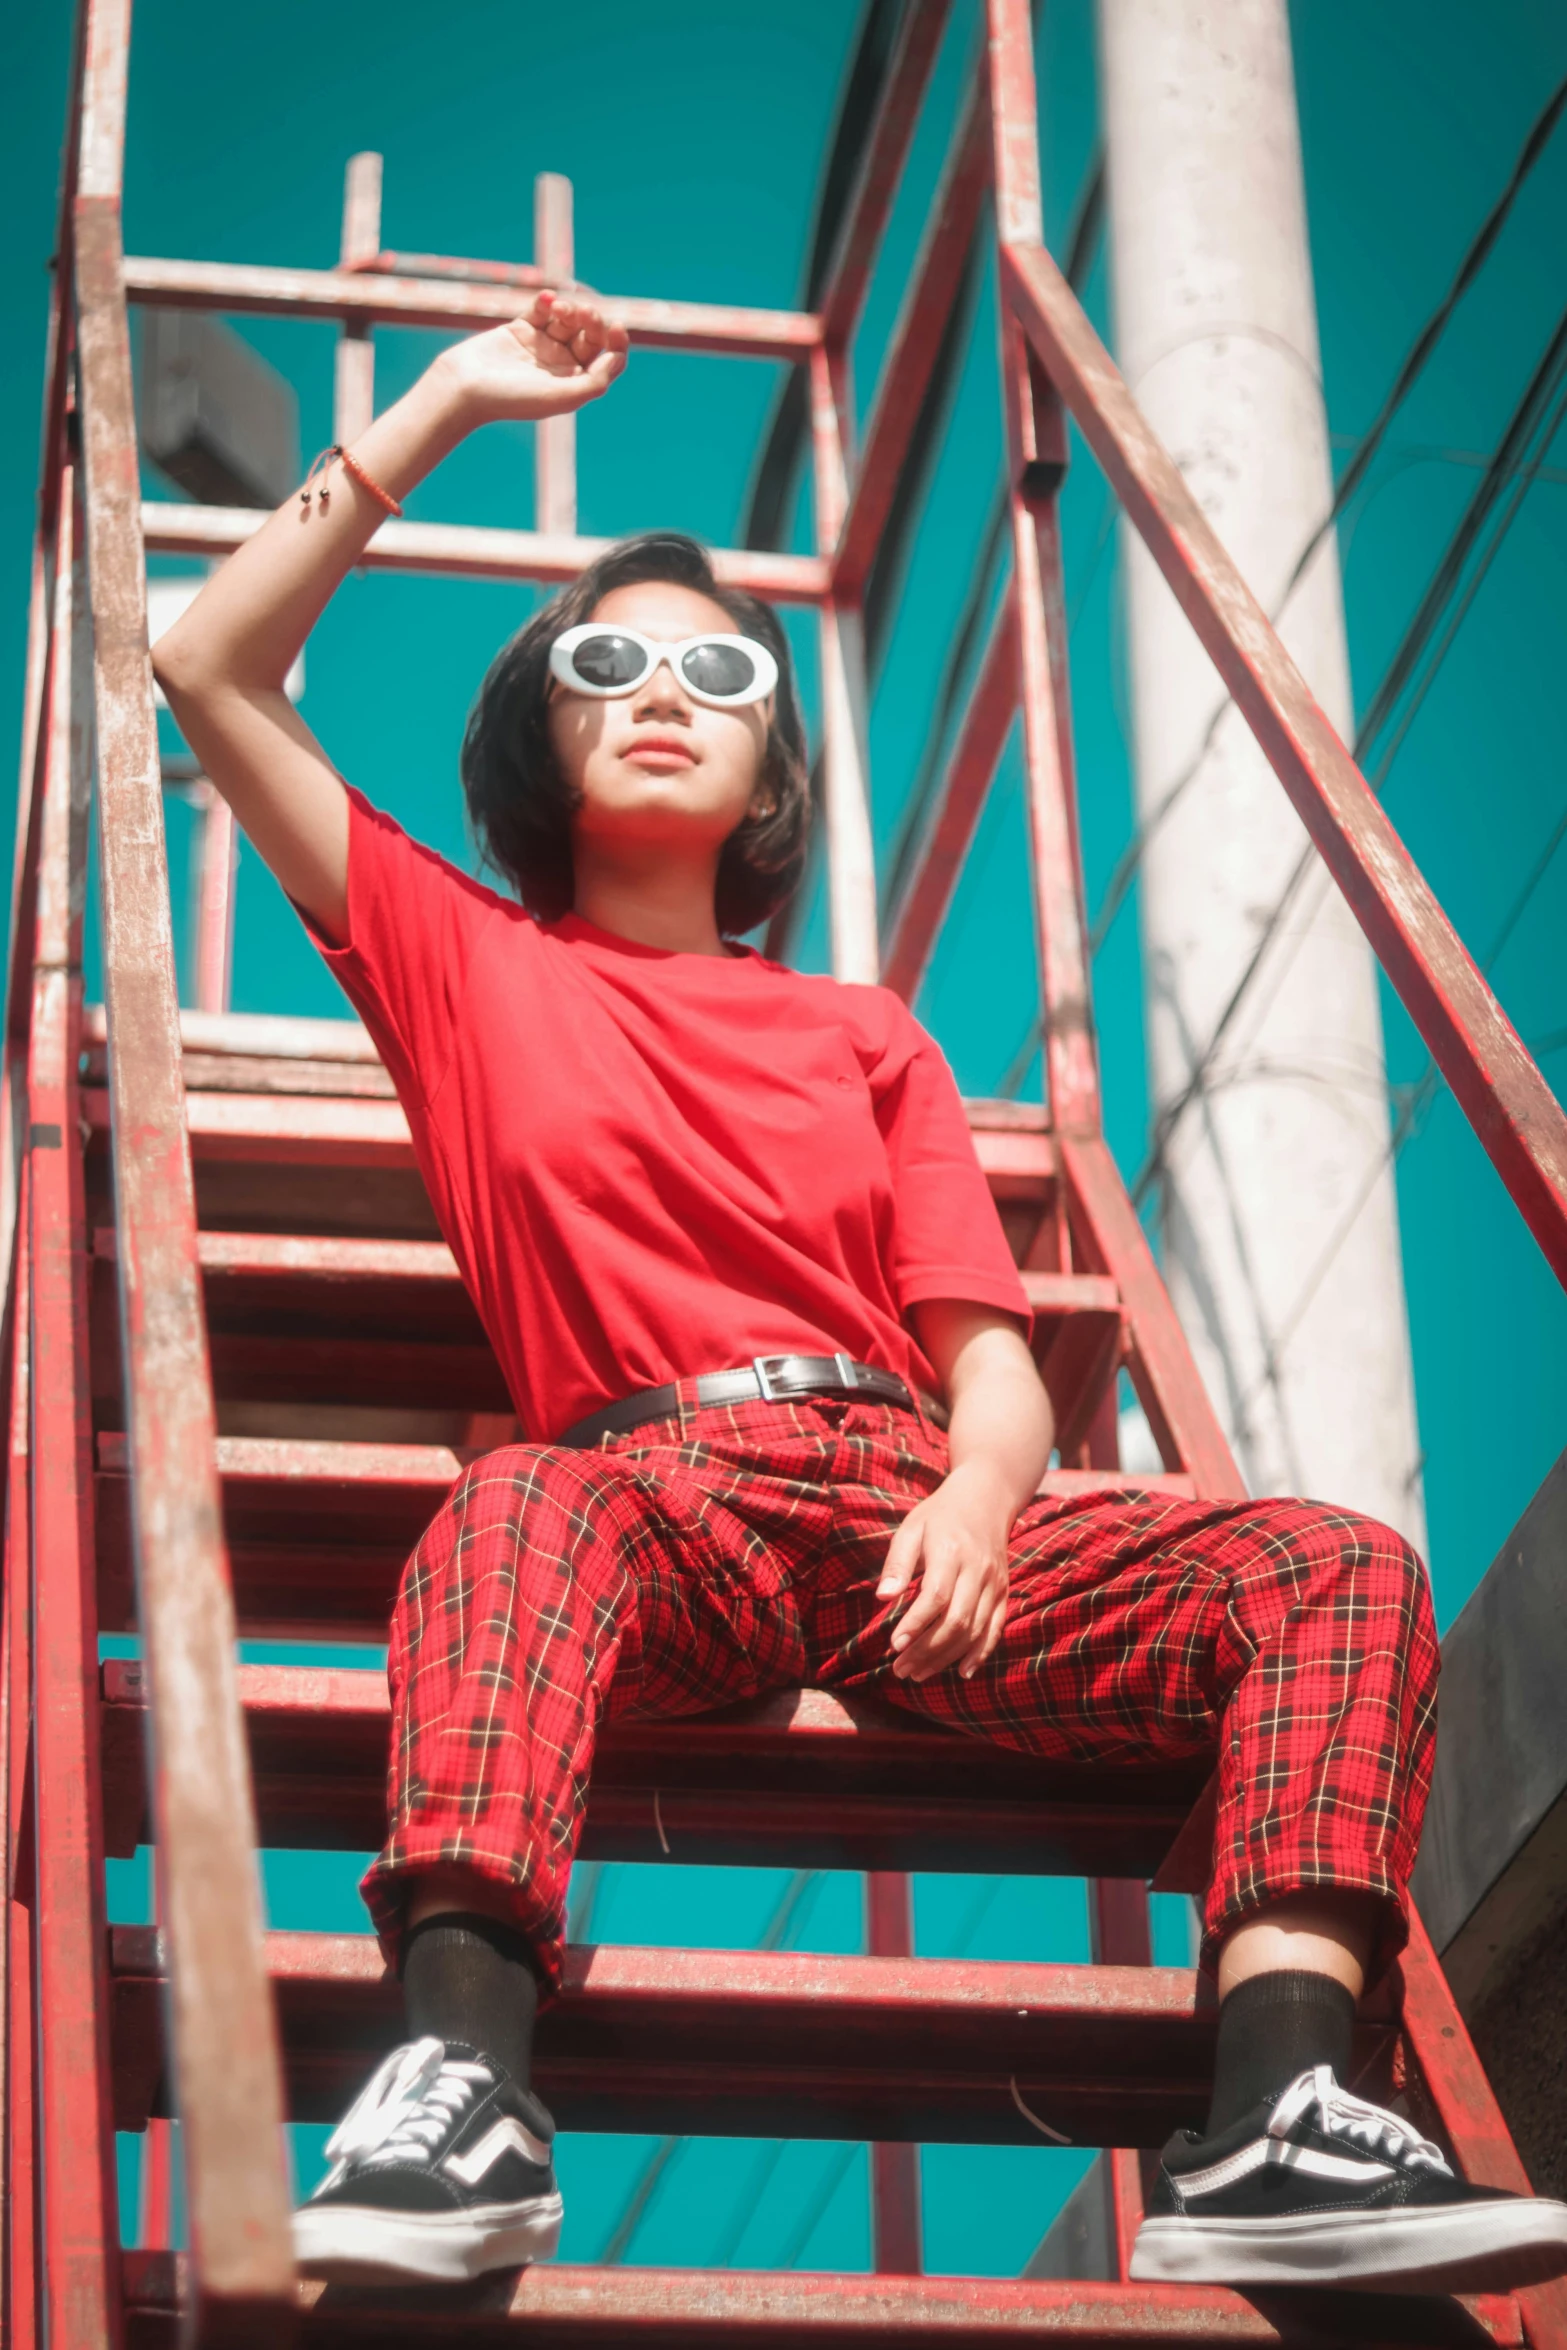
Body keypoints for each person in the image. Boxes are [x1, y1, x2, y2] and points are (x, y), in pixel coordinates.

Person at [152, 291, 1567, 2296]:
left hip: (909, 1506)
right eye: (606, 657)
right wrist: (457, 397)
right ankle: (459, 2075)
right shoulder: (463, 962)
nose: (662, 686)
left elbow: (985, 1360)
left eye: (718, 667)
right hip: (656, 1492)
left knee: (1336, 1567)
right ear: (537, 722)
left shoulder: (862, 1032)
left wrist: (985, 1497)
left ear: (768, 760)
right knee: (505, 1511)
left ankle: (1274, 2104)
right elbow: (205, 662)